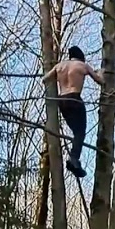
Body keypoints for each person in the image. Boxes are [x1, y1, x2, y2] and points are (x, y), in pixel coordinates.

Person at [41, 46, 104, 178]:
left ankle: (74, 160)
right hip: (75, 98)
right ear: (81, 56)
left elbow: (45, 79)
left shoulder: (60, 66)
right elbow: (100, 81)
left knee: (77, 133)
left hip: (62, 101)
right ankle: (74, 159)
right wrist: (101, 73)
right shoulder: (82, 66)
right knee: (80, 132)